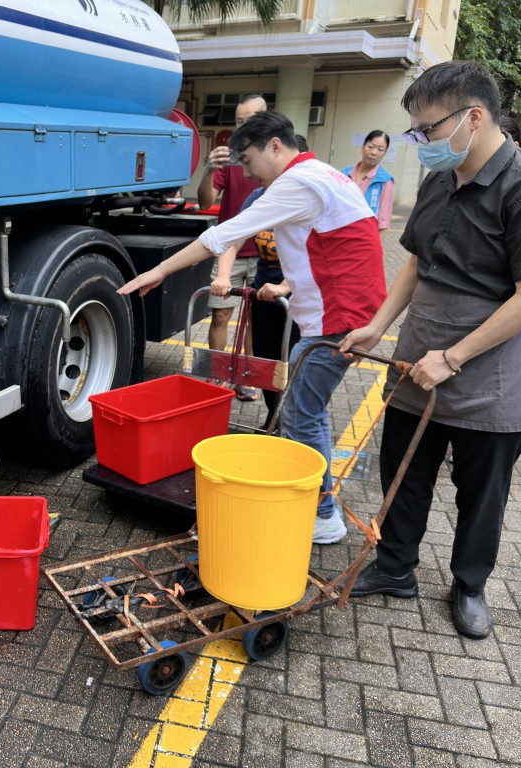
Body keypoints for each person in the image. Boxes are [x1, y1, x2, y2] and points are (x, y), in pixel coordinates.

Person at [339, 61, 521, 640]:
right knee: (405, 473)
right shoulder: (442, 180)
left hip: (491, 375)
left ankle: (469, 585)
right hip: (418, 358)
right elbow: (416, 263)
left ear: (474, 116)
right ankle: (395, 567)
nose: (421, 143)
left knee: (480, 492)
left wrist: (454, 356)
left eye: (427, 130)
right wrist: (377, 325)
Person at [120, 111, 386, 544]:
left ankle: (321, 514)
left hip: (337, 320)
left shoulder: (296, 182)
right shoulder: (322, 174)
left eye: (247, 160)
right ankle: (318, 507)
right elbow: (328, 243)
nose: (244, 171)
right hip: (345, 311)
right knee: (305, 410)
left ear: (275, 147)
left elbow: (221, 236)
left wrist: (159, 271)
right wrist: (286, 284)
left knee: (301, 414)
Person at [212, 136, 309, 432]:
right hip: (265, 293)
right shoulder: (258, 198)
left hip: (299, 300)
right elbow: (232, 238)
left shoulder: (305, 199)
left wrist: (285, 286)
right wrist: (224, 276)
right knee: (267, 362)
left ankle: (292, 421)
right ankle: (273, 414)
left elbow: (311, 255)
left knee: (291, 362)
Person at [197, 94, 267, 401]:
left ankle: (246, 376)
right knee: (221, 316)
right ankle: (218, 373)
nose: (245, 126)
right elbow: (204, 202)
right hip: (230, 252)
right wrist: (208, 169)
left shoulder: (275, 157)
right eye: (240, 120)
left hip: (267, 253)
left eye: (251, 119)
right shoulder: (230, 157)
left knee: (255, 319)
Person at [341, 130, 395, 232]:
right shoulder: (344, 174)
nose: (374, 152)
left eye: (380, 149)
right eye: (370, 147)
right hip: (339, 235)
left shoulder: (385, 181)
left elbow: (383, 223)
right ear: (362, 147)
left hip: (364, 239)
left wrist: (374, 247)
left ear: (384, 154)